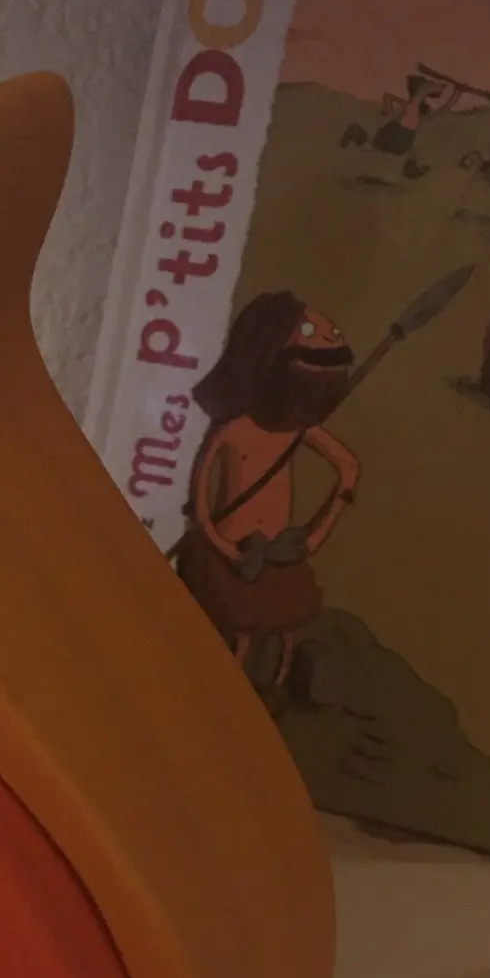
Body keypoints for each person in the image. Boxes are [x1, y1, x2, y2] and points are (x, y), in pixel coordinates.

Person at [177, 291, 362, 698]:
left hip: (279, 549)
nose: (329, 335)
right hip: (232, 547)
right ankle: (225, 685)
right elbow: (200, 498)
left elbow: (348, 467)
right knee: (238, 627)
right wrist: (222, 546)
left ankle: (276, 685)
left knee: (284, 627)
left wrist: (318, 531)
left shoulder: (297, 430)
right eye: (309, 330)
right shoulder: (232, 429)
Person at [340, 68, 460, 180]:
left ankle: (411, 169)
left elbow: (446, 107)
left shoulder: (420, 111)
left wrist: (458, 92)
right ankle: (355, 131)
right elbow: (423, 91)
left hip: (404, 138)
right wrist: (444, 85)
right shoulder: (412, 105)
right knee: (374, 146)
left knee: (401, 149)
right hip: (396, 134)